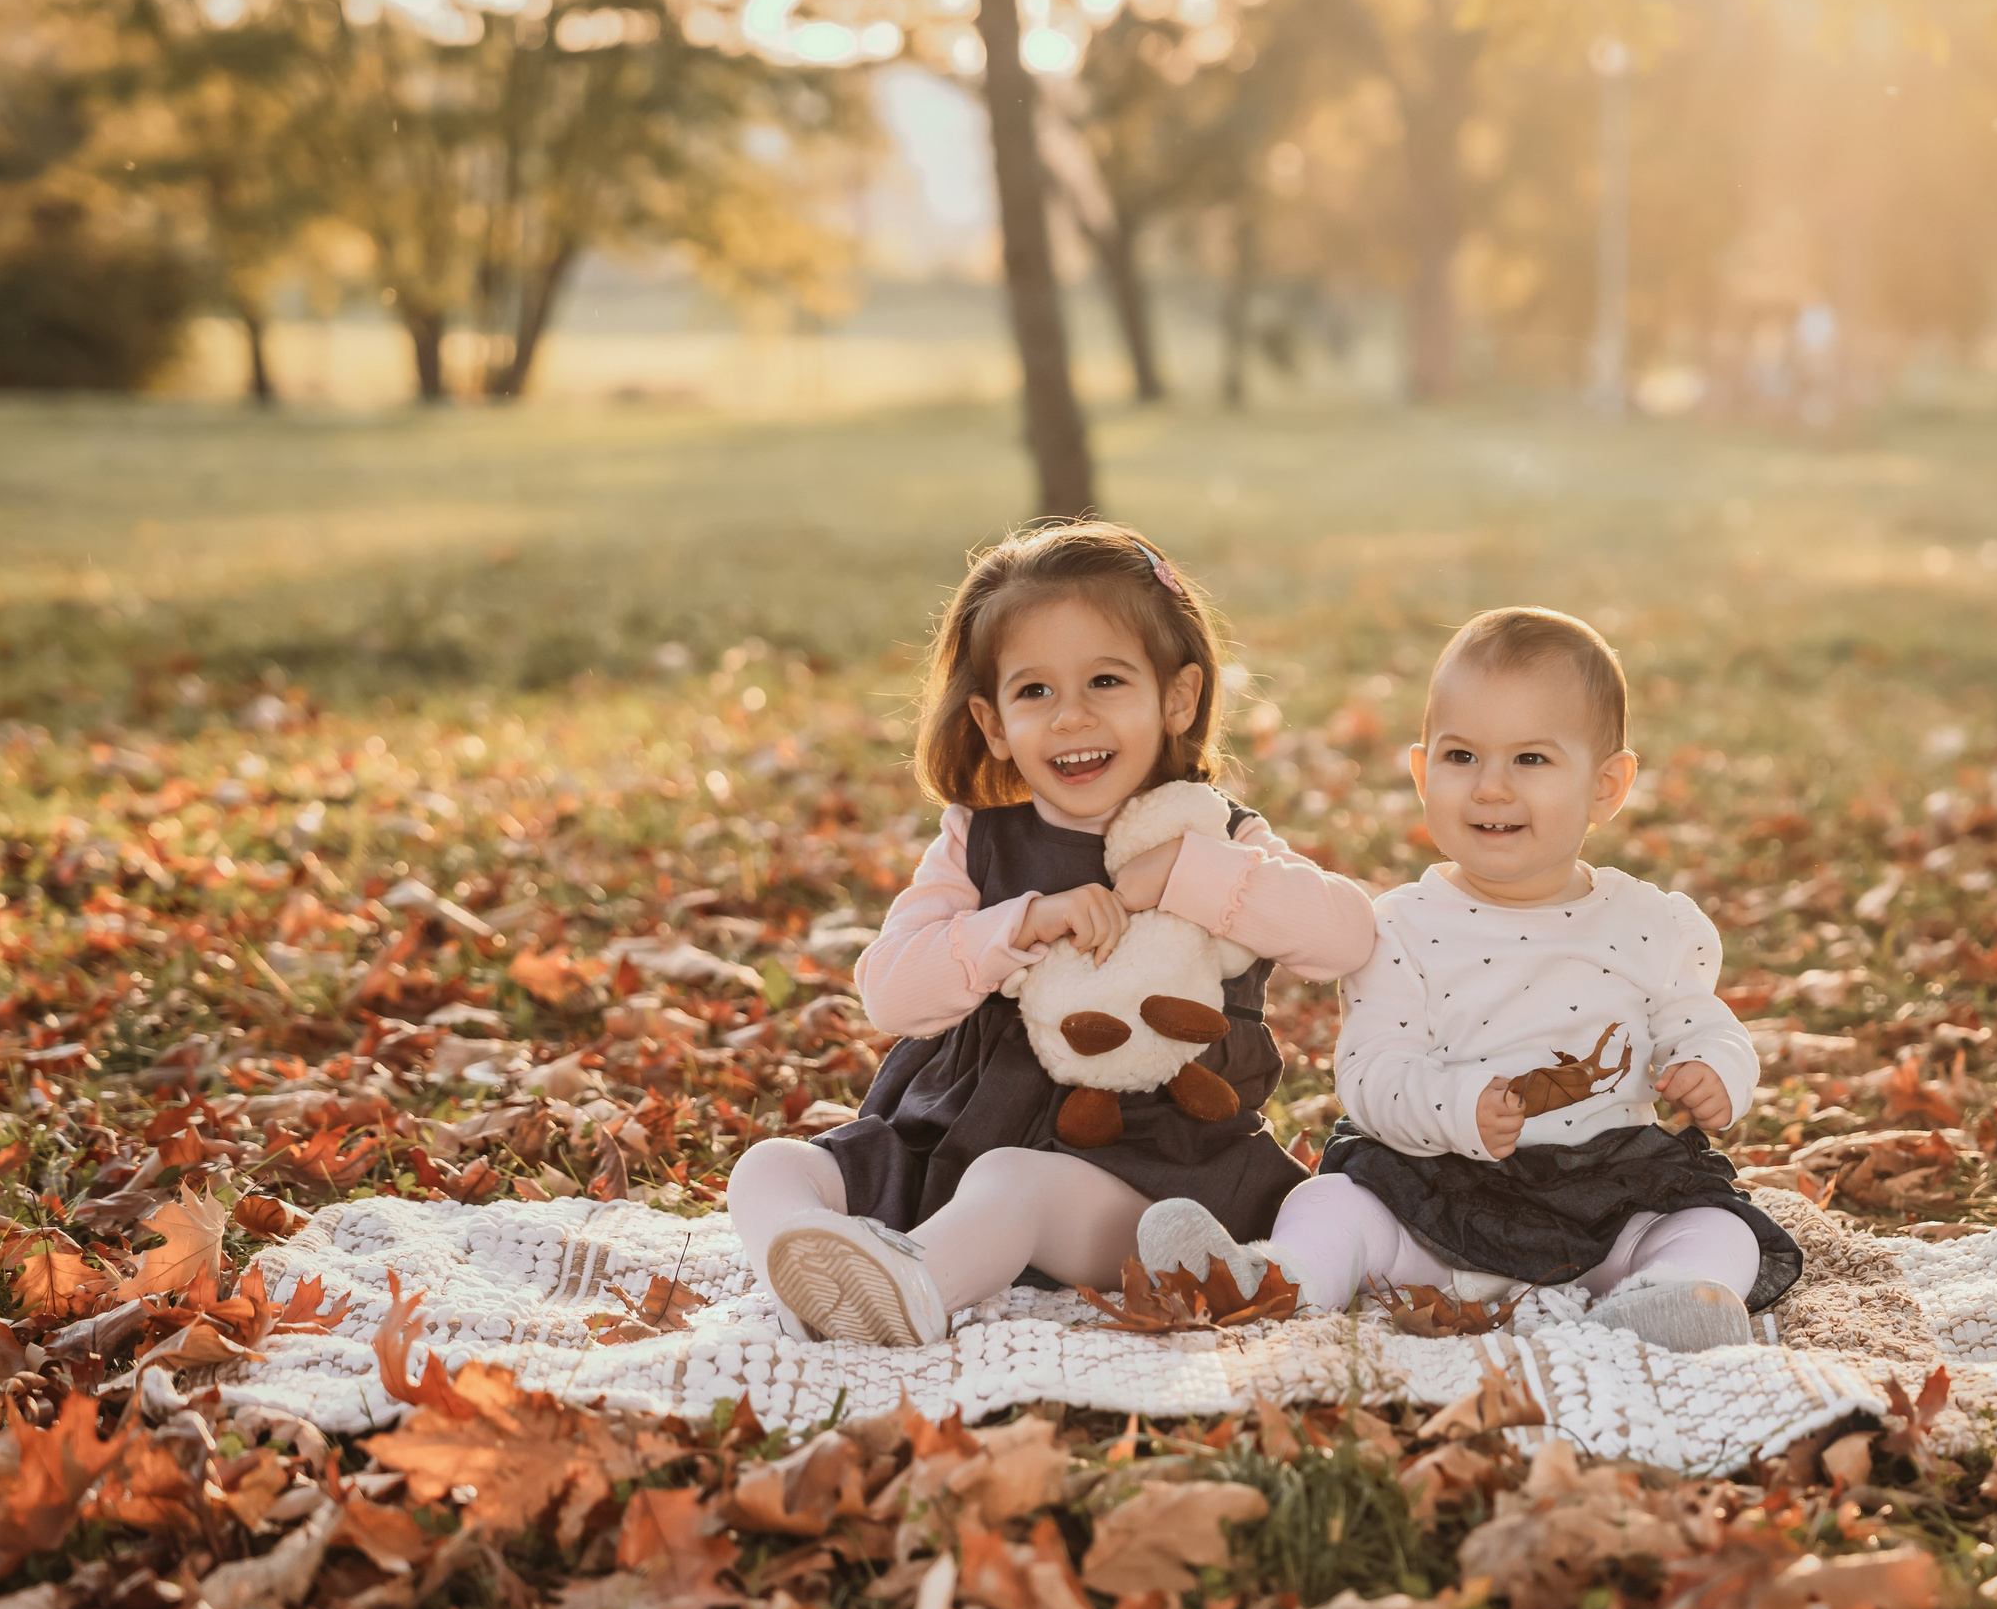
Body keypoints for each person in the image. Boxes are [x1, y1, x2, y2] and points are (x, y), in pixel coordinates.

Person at [725, 524, 1376, 1347]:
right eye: (1035, 692)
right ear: (992, 723)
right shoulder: (977, 842)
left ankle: (915, 1286)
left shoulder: (1216, 836)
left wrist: (1189, 873)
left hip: (1139, 1179)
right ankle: (814, 1281)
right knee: (771, 1166)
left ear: (1176, 699)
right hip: (953, 1147)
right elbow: (890, 990)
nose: (1072, 717)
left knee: (1014, 1184)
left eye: (1106, 680)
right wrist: (1018, 924)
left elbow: (1347, 935)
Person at [1138, 607, 1802, 1351]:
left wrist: (1715, 1069)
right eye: (1462, 757)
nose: (1490, 787)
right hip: (1438, 1197)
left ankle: (1666, 1297)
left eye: (1531, 760)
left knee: (1718, 1227)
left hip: (1608, 1199)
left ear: (1607, 785)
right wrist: (1457, 1107)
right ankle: (1274, 1280)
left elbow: (1704, 1023)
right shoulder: (1401, 927)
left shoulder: (1650, 922)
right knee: (1334, 1201)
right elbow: (1370, 1069)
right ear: (1423, 772)